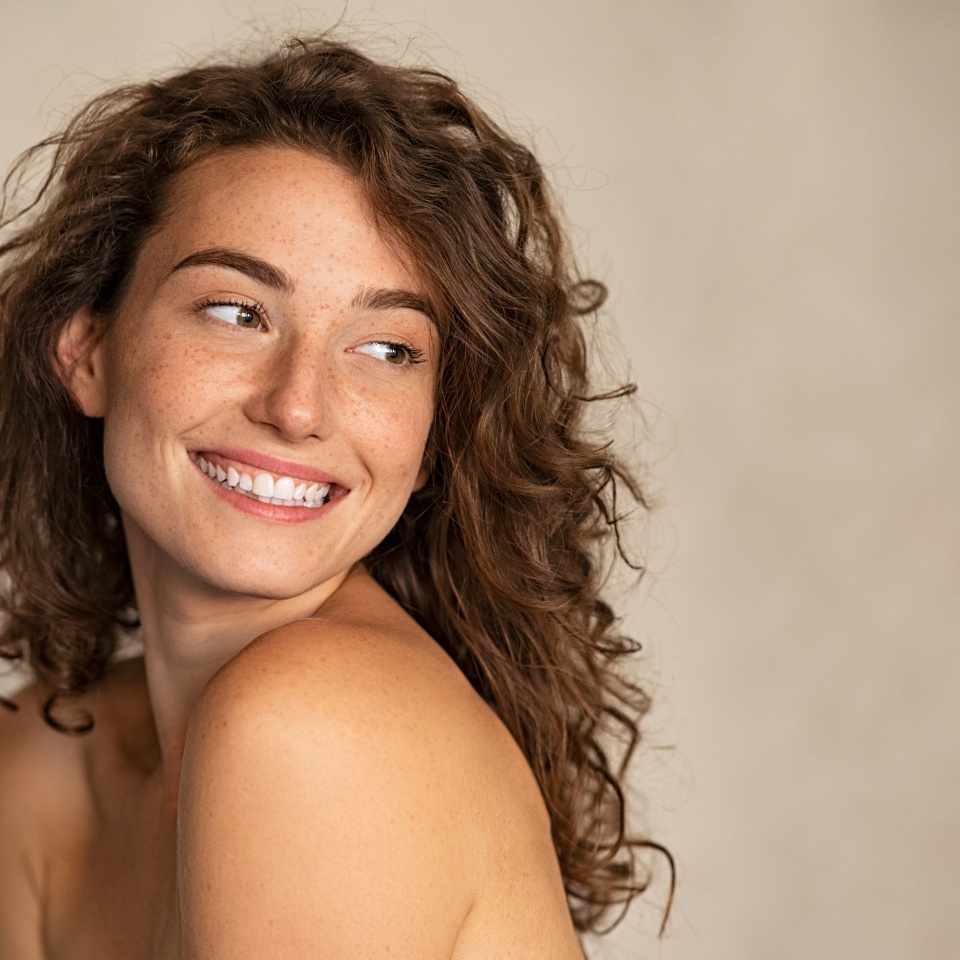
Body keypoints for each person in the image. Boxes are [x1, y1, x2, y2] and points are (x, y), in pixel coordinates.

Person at [0, 34, 669, 958]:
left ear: (433, 435)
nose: (298, 406)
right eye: (237, 312)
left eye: (387, 349)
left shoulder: (313, 726)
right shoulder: (44, 760)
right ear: (87, 351)